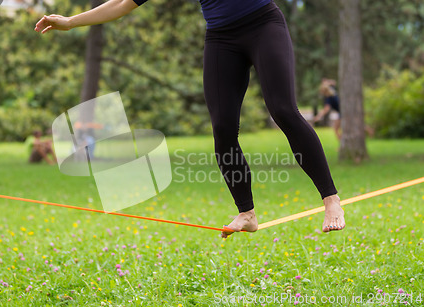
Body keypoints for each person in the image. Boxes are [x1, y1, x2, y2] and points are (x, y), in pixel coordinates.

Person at [34, 0, 345, 237]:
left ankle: (331, 200)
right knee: (222, 128)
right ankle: (247, 213)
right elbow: (121, 4)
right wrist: (71, 21)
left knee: (283, 110)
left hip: (263, 24)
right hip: (221, 39)